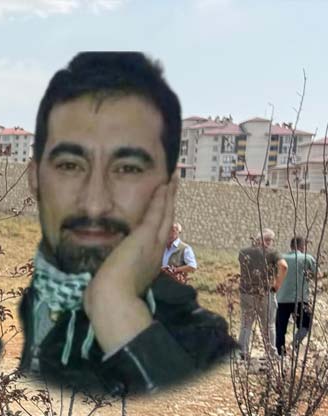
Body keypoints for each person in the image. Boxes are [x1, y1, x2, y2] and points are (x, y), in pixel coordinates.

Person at [17, 52, 233, 395]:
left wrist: (117, 308)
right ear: (34, 180)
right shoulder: (37, 305)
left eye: (128, 169)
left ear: (168, 190)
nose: (95, 202)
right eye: (71, 165)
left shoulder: (203, 347)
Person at [237, 229, 286, 360]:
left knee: (246, 324)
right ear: (267, 240)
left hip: (246, 292)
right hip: (265, 292)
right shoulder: (272, 253)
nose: (271, 243)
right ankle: (271, 354)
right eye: (270, 240)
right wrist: (276, 285)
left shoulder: (243, 252)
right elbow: (284, 266)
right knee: (269, 325)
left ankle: (242, 352)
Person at [276, 236, 318, 356]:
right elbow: (317, 275)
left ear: (291, 246)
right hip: (300, 299)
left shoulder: (280, 258)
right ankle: (294, 344)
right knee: (305, 324)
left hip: (281, 298)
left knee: (280, 328)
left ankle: (280, 354)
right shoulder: (307, 258)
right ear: (302, 246)